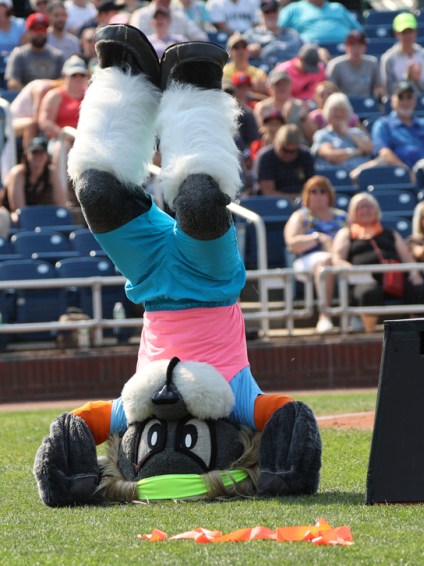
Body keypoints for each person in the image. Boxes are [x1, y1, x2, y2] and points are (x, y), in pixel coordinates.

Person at [64, 24, 321, 497]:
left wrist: (68, 474)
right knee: (201, 201)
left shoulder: (131, 408)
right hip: (210, 280)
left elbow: (77, 425)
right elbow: (289, 414)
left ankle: (122, 77)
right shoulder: (238, 401)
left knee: (95, 192)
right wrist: (284, 472)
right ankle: (196, 84)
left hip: (148, 279)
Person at [331, 192, 424, 333]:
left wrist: (415, 273)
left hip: (395, 279)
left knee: (420, 290)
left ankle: (417, 332)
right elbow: (337, 260)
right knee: (370, 293)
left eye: (369, 206)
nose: (365, 210)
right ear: (353, 212)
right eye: (361, 207)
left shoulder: (390, 233)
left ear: (376, 210)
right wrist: (356, 273)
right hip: (364, 281)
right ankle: (370, 334)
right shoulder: (346, 234)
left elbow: (407, 258)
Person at [284, 175, 347, 334]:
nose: (318, 195)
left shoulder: (342, 217)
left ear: (329, 195)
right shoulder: (301, 216)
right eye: (314, 191)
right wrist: (318, 238)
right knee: (325, 261)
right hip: (306, 260)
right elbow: (292, 244)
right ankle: (325, 316)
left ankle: (357, 314)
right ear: (307, 195)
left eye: (323, 191)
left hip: (340, 258)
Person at [37, 55, 87, 199]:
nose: (78, 78)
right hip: (60, 139)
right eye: (74, 75)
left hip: (86, 141)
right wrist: (66, 135)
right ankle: (64, 197)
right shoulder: (55, 95)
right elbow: (45, 121)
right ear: (65, 76)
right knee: (62, 148)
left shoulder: (91, 95)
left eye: (81, 75)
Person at [371, 80, 424, 179]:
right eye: (401, 97)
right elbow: (384, 153)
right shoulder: (383, 124)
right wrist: (407, 172)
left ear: (415, 101)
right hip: (397, 177)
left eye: (409, 97)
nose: (405, 102)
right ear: (392, 101)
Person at [310, 92, 374, 177]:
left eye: (342, 110)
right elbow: (331, 156)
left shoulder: (356, 132)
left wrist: (348, 133)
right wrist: (357, 151)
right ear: (328, 112)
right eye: (335, 110)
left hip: (361, 177)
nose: (338, 114)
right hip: (334, 177)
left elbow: (369, 149)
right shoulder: (322, 135)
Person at [6, 135, 65, 224]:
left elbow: (62, 206)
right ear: (27, 155)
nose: (38, 156)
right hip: (17, 219)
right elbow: (19, 209)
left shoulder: (51, 173)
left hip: (42, 219)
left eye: (41, 153)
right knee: (16, 218)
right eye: (34, 153)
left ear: (47, 156)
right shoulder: (17, 173)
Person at [379, 12, 424, 96]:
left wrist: (417, 80)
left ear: (416, 32)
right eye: (403, 32)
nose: (407, 36)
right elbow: (389, 90)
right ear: (396, 34)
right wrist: (407, 78)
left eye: (410, 31)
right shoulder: (388, 58)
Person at [253, 69, 316, 144]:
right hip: (271, 146)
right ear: (270, 87)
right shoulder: (262, 108)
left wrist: (303, 118)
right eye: (277, 84)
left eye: (285, 84)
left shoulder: (299, 105)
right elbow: (258, 133)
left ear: (291, 85)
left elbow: (312, 136)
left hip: (297, 145)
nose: (282, 87)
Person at [4, 13, 64, 91]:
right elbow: (12, 83)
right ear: (28, 32)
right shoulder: (19, 54)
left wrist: (47, 91)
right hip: (27, 96)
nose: (40, 33)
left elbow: (64, 81)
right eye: (35, 29)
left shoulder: (57, 55)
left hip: (52, 96)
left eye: (43, 29)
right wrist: (31, 93)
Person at [253, 123, 314, 199]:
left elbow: (312, 186)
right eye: (285, 150)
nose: (288, 154)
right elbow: (268, 193)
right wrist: (297, 198)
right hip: (272, 203)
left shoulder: (305, 155)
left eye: (293, 151)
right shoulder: (266, 157)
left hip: (301, 201)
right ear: (276, 143)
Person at [242, 0, 303, 72]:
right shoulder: (251, 35)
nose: (271, 15)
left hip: (291, 73)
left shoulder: (292, 34)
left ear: (279, 12)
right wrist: (247, 50)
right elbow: (234, 53)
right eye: (267, 12)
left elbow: (305, 51)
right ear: (260, 14)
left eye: (274, 11)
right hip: (264, 74)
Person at [326, 30, 383, 99]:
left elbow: (379, 86)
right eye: (352, 44)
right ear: (346, 46)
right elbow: (331, 90)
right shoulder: (336, 64)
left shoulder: (372, 63)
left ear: (365, 47)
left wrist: (379, 94)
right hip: (343, 103)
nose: (356, 48)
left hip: (365, 101)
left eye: (360, 44)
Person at [277, 0, 362, 45]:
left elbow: (359, 31)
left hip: (344, 51)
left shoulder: (338, 7)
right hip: (308, 53)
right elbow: (276, 29)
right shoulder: (293, 9)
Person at [129, 0, 207, 40]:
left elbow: (200, 37)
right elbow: (135, 41)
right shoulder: (140, 15)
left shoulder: (180, 16)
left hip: (177, 60)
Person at [223, 32, 268, 99]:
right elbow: (226, 93)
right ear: (229, 52)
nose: (240, 51)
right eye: (236, 47)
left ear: (248, 50)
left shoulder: (259, 73)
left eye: (244, 47)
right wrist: (251, 89)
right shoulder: (223, 71)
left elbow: (269, 96)